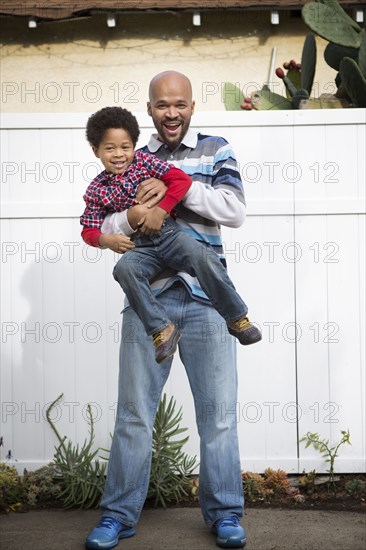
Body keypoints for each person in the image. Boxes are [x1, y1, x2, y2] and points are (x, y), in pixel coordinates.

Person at [84, 71, 250, 549]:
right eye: (161, 105)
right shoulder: (134, 154)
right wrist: (135, 214)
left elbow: (234, 209)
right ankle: (118, 516)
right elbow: (109, 221)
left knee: (217, 415)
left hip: (205, 298)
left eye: (179, 104)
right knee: (134, 414)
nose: (171, 112)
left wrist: (173, 192)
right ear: (151, 109)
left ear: (192, 106)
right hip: (150, 300)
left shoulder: (216, 148)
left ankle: (225, 515)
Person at [81, 107, 261, 364]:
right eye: (110, 149)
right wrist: (106, 239)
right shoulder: (96, 190)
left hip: (169, 236)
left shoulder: (145, 162)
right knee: (124, 269)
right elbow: (89, 229)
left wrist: (161, 210)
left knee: (202, 256)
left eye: (125, 147)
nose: (119, 154)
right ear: (96, 151)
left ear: (134, 146)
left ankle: (236, 317)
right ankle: (161, 330)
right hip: (142, 247)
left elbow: (181, 181)